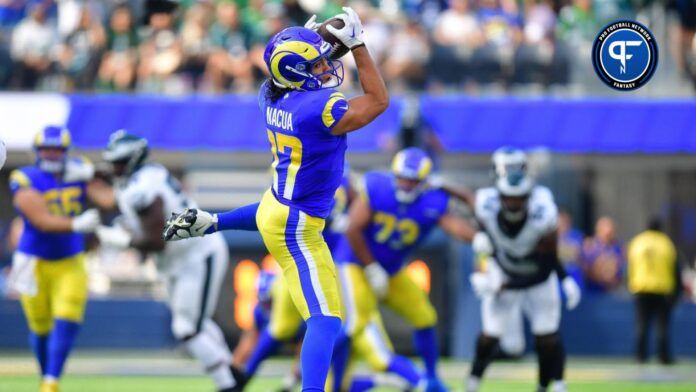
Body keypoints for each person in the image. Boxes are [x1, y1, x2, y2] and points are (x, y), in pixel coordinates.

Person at [163, 8, 389, 391]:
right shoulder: (320, 109)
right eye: (316, 66)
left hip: (277, 206)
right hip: (299, 225)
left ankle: (212, 222)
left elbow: (300, 65)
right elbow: (378, 100)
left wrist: (316, 35)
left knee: (274, 213)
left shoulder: (270, 93)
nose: (325, 68)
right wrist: (358, 44)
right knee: (326, 321)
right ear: (298, 74)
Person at [95, 131, 243, 392]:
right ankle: (232, 374)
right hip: (178, 260)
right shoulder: (145, 176)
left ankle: (228, 385)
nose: (114, 167)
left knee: (187, 329)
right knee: (195, 324)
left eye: (118, 161)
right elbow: (116, 200)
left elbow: (156, 240)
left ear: (132, 159)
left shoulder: (143, 188)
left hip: (197, 254)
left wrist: (123, 240)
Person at [338, 147, 479, 391]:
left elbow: (458, 228)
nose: (405, 184)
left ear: (424, 181)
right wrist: (371, 267)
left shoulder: (432, 200)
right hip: (356, 266)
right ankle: (418, 382)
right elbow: (352, 228)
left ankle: (431, 377)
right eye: (402, 177)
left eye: (412, 180)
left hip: (391, 270)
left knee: (424, 316)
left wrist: (482, 239)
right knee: (356, 326)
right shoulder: (378, 187)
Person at [465, 147, 581, 392]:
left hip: (535, 275)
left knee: (547, 336)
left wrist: (564, 277)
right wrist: (482, 269)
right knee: (491, 334)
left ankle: (553, 385)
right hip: (504, 267)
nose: (513, 202)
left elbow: (547, 259)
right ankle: (472, 384)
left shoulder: (543, 209)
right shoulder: (486, 202)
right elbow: (481, 240)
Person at [7, 126, 104, 392]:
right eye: (47, 149)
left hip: (69, 259)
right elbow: (41, 221)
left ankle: (51, 382)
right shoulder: (24, 177)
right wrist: (76, 224)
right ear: (38, 152)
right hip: (32, 260)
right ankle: (46, 375)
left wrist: (95, 175)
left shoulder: (79, 171)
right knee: (40, 327)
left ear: (66, 151)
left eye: (57, 149)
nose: (52, 154)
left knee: (68, 315)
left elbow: (109, 199)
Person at [627, 218, 681, 364]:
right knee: (662, 326)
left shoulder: (638, 242)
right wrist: (677, 290)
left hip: (641, 288)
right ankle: (663, 357)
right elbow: (675, 268)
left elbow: (631, 265)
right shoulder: (666, 243)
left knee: (642, 324)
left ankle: (640, 356)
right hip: (662, 289)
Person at [581, 216, 624, 293]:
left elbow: (621, 269)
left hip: (612, 292)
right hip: (593, 292)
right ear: (598, 230)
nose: (609, 232)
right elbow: (585, 268)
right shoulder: (590, 246)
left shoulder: (618, 248)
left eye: (611, 230)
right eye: (606, 229)